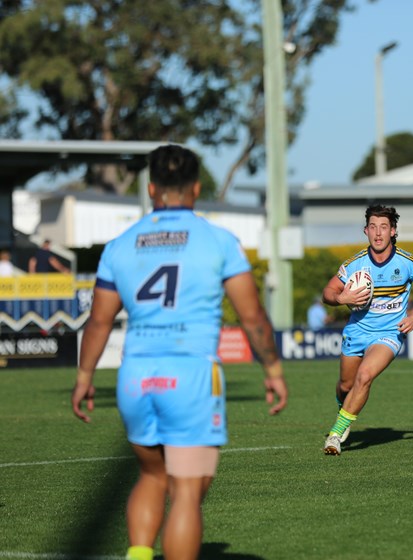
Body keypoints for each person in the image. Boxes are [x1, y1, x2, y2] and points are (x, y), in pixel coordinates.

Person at [71, 144, 288, 560]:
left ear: (151, 188)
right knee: (187, 491)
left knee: (152, 475)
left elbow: (98, 322)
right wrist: (273, 370)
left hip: (136, 377)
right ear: (197, 188)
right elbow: (252, 316)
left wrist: (84, 378)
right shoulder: (218, 241)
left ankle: (139, 554)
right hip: (191, 376)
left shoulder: (120, 245)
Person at [321, 204, 413, 456]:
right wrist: (342, 298)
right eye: (373, 227)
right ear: (365, 231)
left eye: (384, 227)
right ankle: (344, 409)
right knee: (345, 386)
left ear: (393, 231)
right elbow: (328, 292)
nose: (378, 233)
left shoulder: (408, 263)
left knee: (365, 375)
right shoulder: (354, 264)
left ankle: (335, 435)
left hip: (389, 333)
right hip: (356, 331)